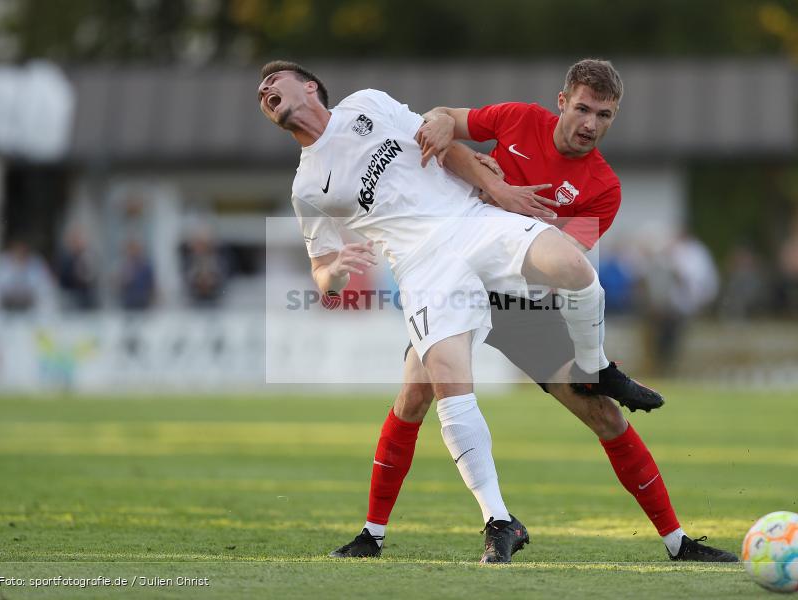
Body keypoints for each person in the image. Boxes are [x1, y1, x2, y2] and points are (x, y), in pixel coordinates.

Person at [330, 59, 736, 562]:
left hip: (520, 304)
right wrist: (449, 137)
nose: (590, 124)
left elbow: (556, 263)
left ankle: (678, 543)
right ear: (562, 102)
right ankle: (372, 535)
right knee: (411, 401)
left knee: (604, 416)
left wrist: (496, 201)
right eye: (583, 108)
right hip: (454, 279)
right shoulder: (519, 118)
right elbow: (443, 119)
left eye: (604, 115)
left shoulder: (604, 189)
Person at [257, 60, 660, 563]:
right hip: (422, 268)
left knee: (575, 276)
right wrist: (336, 266)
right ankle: (491, 520)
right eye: (262, 89)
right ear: (564, 104)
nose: (266, 87)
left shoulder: (366, 104)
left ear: (311, 86)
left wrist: (492, 187)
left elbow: (440, 141)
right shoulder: (306, 188)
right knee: (433, 394)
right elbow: (323, 274)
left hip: (476, 230)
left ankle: (602, 376)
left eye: (276, 79)